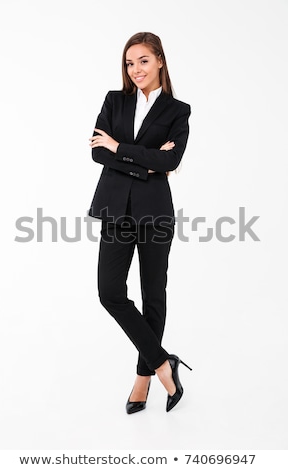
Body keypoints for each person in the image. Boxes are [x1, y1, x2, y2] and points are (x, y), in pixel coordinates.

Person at [88, 32, 192, 413]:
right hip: (116, 210)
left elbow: (172, 162)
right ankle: (164, 362)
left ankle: (143, 378)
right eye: (130, 63)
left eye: (143, 61)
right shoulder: (114, 101)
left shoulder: (178, 111)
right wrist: (147, 161)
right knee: (109, 292)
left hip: (155, 215)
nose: (136, 70)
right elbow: (99, 153)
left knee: (153, 297)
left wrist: (122, 150)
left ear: (160, 61)